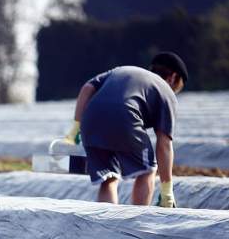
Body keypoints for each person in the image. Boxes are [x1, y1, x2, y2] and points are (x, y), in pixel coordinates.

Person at [66, 52, 186, 207]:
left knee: (108, 177)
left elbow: (87, 88)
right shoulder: (166, 91)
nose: (174, 92)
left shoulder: (122, 70)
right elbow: (164, 145)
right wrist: (167, 190)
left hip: (91, 119)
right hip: (124, 116)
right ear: (173, 77)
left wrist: (76, 127)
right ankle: (134, 223)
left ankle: (106, 224)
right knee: (147, 169)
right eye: (177, 88)